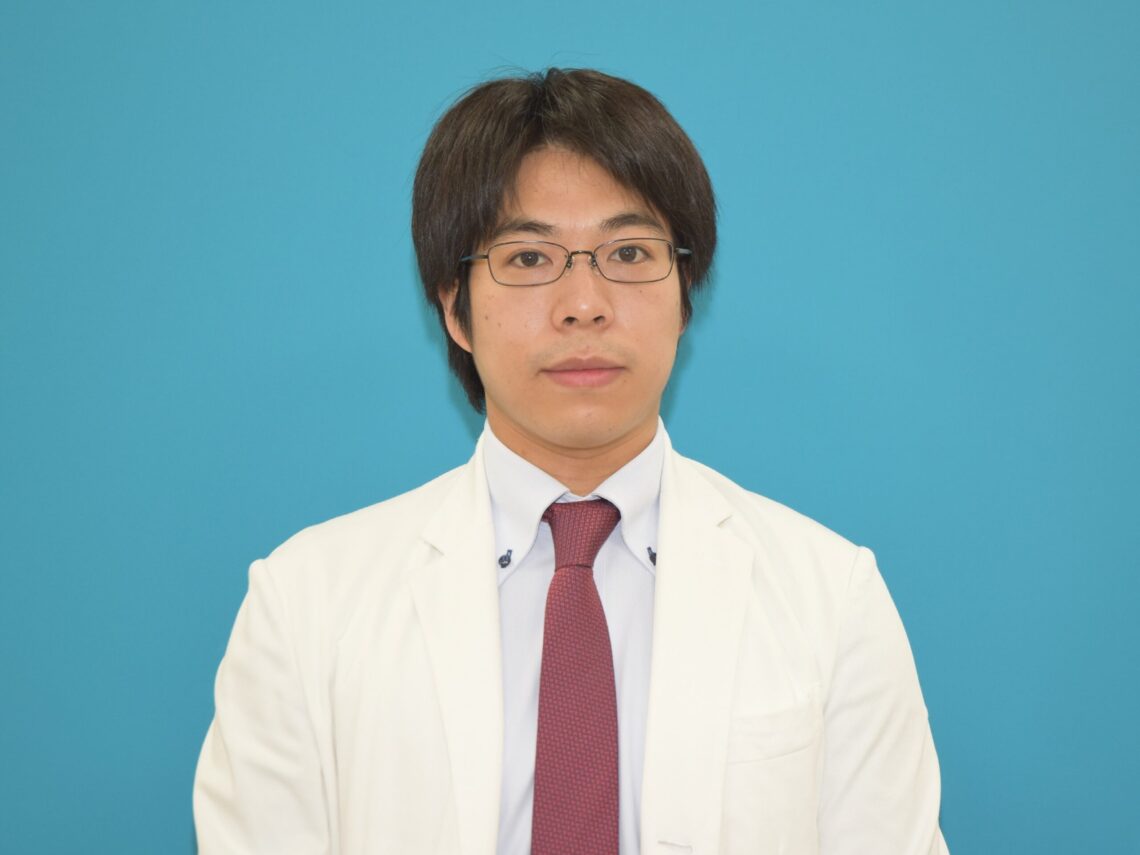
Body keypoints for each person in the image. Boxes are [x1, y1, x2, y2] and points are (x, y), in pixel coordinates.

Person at [193, 68, 950, 855]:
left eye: (629, 252)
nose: (584, 304)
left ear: (685, 295)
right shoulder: (306, 606)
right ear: (454, 306)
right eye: (528, 258)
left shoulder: (831, 597)